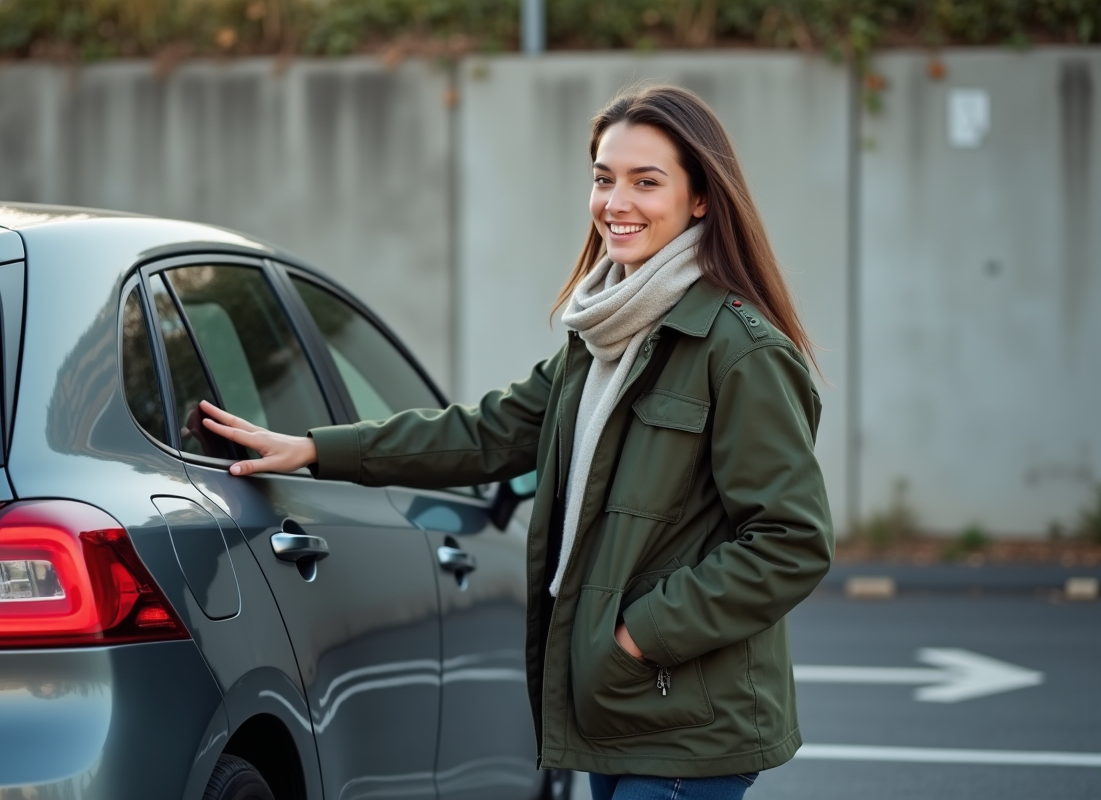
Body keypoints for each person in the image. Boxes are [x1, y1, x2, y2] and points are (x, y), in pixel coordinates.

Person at [201, 84, 833, 800]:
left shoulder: (737, 349)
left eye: (645, 182)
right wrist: (315, 449)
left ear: (700, 199)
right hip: (618, 703)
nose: (615, 202)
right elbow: (484, 433)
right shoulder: (602, 335)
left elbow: (791, 541)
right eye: (603, 178)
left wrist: (639, 634)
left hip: (686, 710)